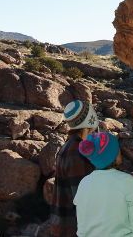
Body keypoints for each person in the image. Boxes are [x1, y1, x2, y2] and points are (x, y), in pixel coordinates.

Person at [73, 131, 133, 237]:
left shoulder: (84, 183)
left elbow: (81, 228)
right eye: (117, 149)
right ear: (113, 155)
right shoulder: (127, 182)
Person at [50, 100, 99, 237]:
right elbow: (83, 199)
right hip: (74, 228)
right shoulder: (77, 152)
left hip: (63, 224)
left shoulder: (68, 146)